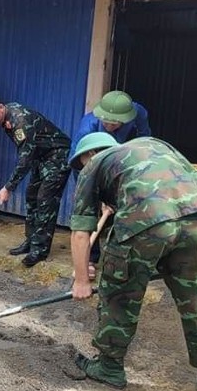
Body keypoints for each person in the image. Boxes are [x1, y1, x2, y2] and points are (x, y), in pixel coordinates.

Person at [68, 133, 197, 391]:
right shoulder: (157, 146)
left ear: (88, 156)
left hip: (143, 225)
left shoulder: (93, 167)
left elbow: (81, 232)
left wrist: (81, 280)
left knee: (119, 295)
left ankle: (109, 367)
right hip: (193, 224)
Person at [0, 91, 71, 267]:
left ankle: (39, 250)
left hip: (57, 156)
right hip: (40, 157)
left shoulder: (21, 122)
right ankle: (31, 240)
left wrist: (8, 187)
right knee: (31, 196)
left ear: (0, 107)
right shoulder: (6, 118)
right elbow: (27, 154)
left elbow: (25, 159)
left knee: (45, 200)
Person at [69, 90, 152, 275]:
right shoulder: (88, 128)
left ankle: (125, 256)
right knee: (90, 212)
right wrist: (100, 196)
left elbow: (144, 141)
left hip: (121, 162)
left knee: (128, 208)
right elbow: (80, 166)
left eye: (114, 124)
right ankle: (89, 258)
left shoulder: (137, 113)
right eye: (106, 122)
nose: (109, 126)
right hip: (89, 167)